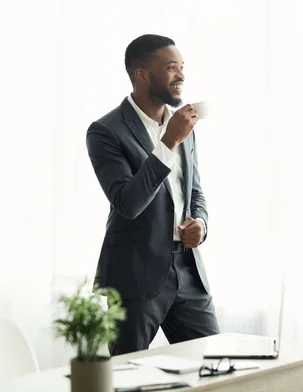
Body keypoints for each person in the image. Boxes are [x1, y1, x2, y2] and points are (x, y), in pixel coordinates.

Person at [86, 34, 220, 355]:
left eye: (182, 68)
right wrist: (168, 142)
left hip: (188, 271)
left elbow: (195, 191)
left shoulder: (183, 126)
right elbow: (127, 204)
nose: (182, 76)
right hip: (135, 276)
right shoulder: (105, 131)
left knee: (215, 365)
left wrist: (200, 223)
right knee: (126, 375)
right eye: (172, 68)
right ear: (142, 75)